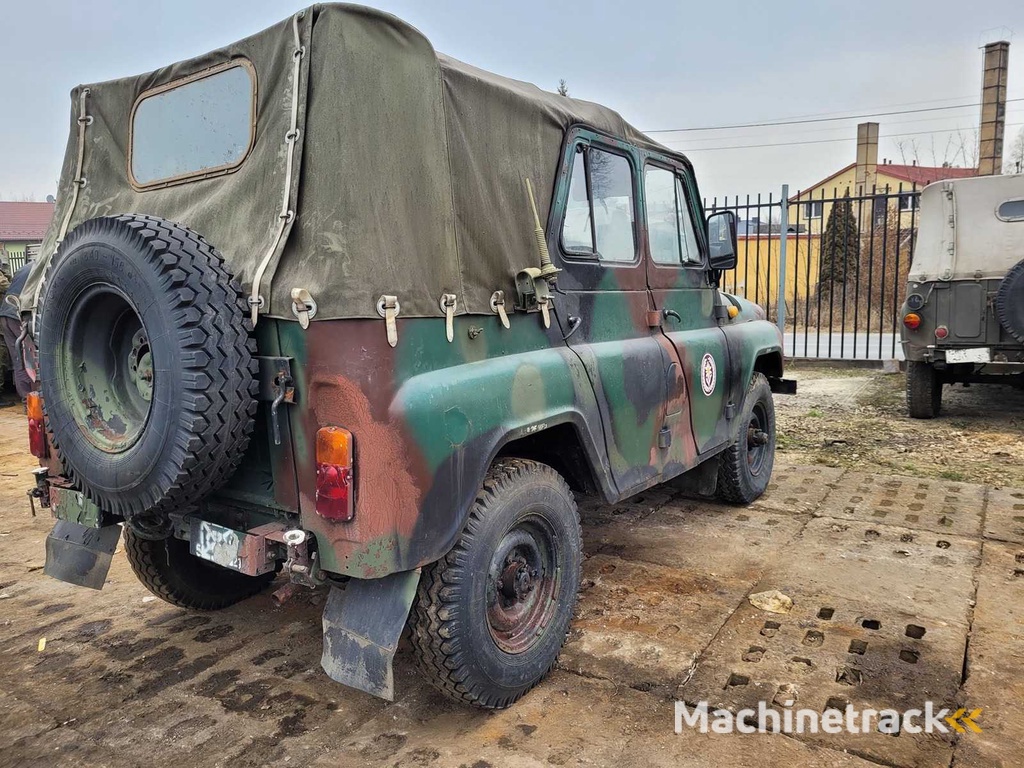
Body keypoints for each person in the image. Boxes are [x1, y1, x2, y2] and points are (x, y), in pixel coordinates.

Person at [0, 261, 32, 400]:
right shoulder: (45, 268)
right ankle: (34, 399)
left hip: (5, 314)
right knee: (29, 358)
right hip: (18, 314)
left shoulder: (24, 268)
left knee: (18, 358)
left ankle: (26, 400)